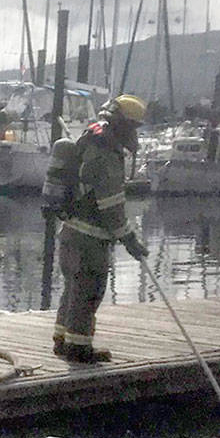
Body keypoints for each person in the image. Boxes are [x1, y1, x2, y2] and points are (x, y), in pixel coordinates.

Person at [52, 95, 148, 364]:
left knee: (72, 290)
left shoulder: (90, 140)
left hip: (70, 233)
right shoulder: (107, 154)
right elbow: (111, 205)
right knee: (88, 293)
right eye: (134, 127)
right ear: (123, 125)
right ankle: (79, 348)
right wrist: (129, 239)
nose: (135, 134)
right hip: (89, 240)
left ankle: (62, 340)